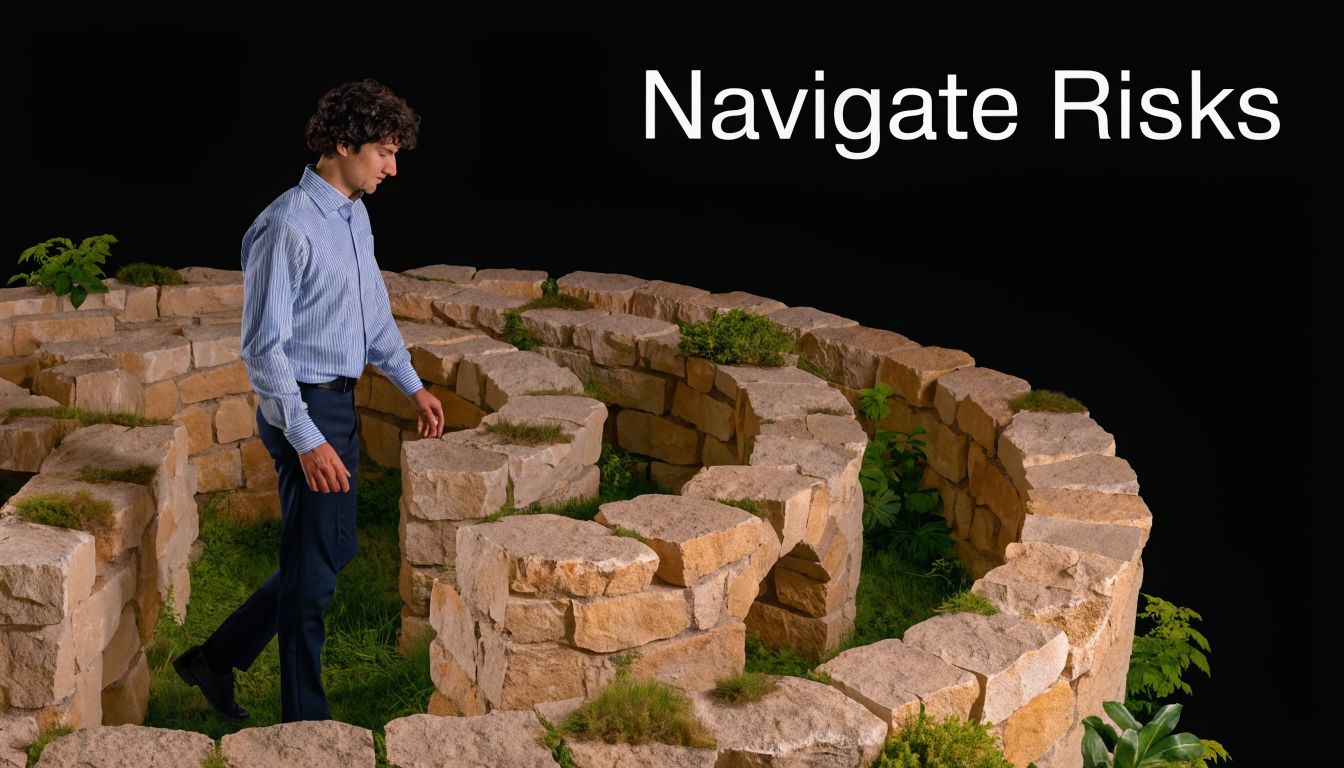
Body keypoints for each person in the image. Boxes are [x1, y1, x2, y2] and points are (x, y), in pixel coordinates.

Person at [171, 78, 445, 723]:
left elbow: (372, 315)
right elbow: (264, 350)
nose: (393, 166)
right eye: (384, 151)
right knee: (315, 576)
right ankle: (306, 726)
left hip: (338, 405)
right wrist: (306, 435)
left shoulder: (354, 215)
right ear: (344, 144)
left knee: (331, 552)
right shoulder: (284, 226)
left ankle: (212, 661)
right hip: (305, 408)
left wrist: (412, 383)